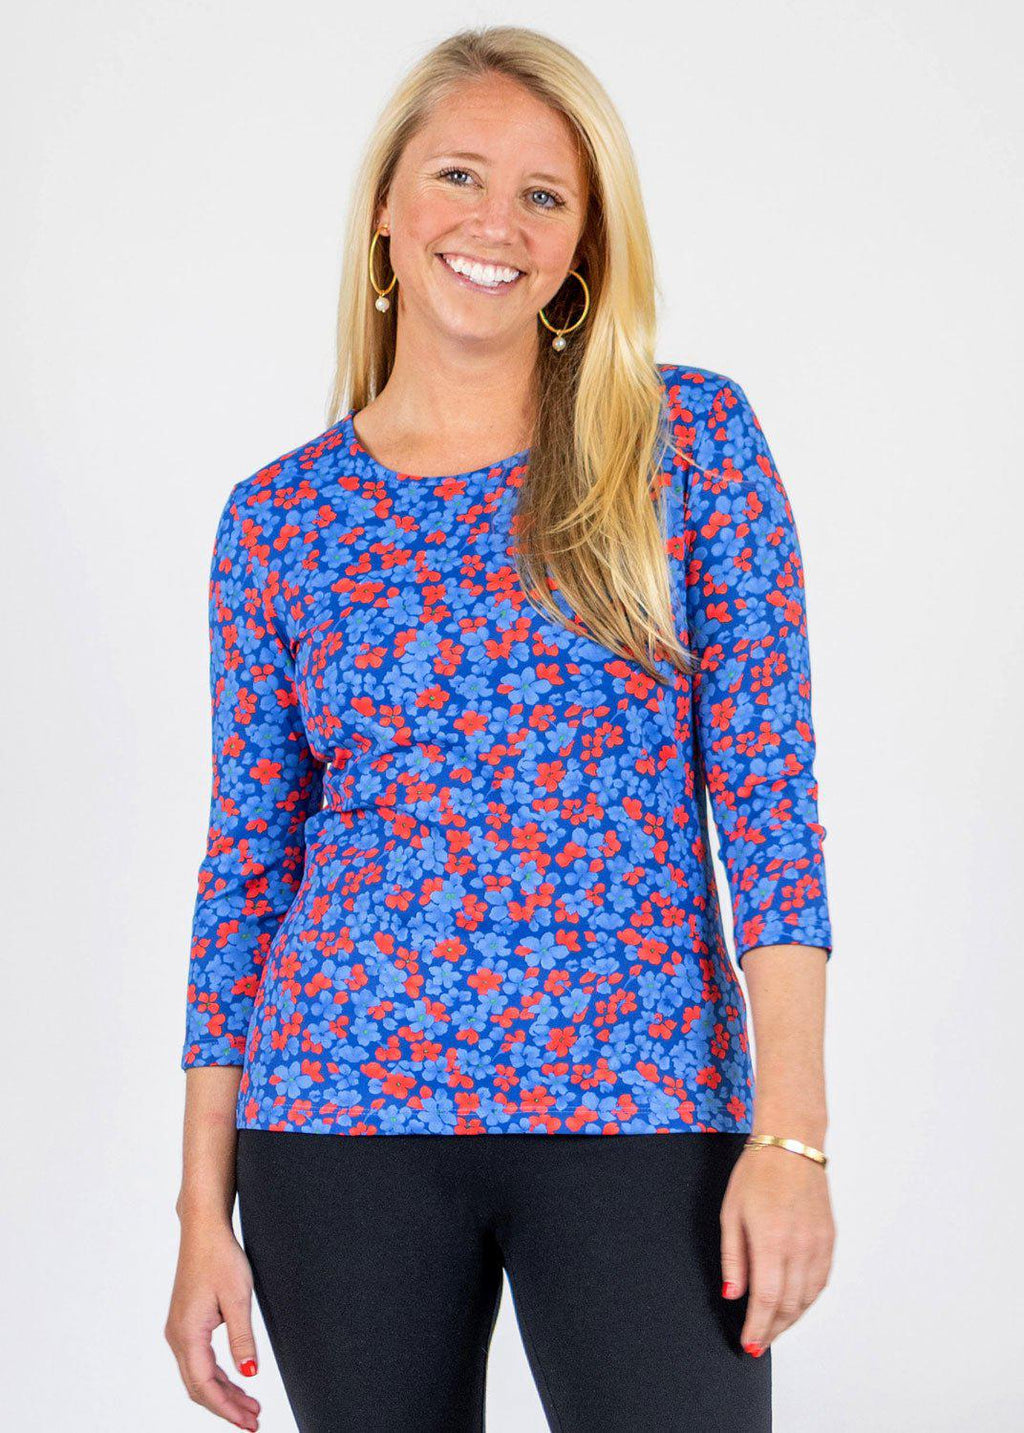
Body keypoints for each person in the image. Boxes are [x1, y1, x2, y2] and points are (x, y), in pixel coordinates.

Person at [164, 24, 835, 1433]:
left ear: (585, 243)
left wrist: (794, 1136)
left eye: (544, 195)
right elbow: (244, 871)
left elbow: (772, 813)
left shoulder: (687, 446)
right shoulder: (278, 520)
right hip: (335, 1119)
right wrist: (198, 1213)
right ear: (386, 210)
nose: (496, 223)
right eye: (459, 175)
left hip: (645, 1108)